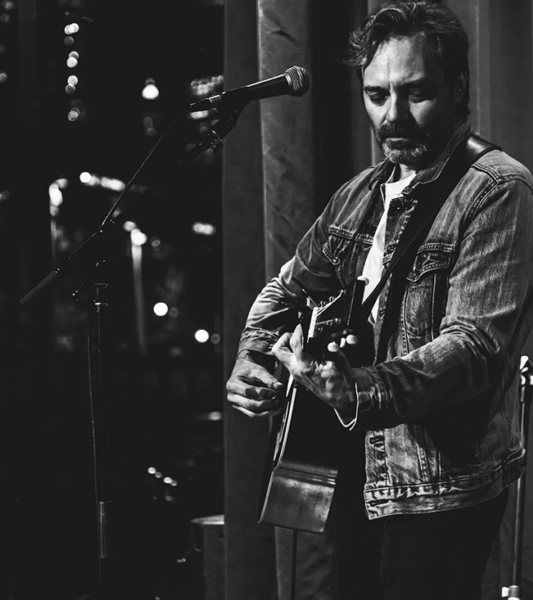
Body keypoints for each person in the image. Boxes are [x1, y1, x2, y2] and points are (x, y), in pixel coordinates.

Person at [225, 1, 533, 598]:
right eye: (376, 95)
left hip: (437, 486)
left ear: (457, 87)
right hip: (345, 465)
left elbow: (473, 347)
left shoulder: (497, 189)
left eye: (416, 93)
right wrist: (252, 354)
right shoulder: (361, 193)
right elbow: (288, 288)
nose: (393, 116)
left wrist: (357, 389)